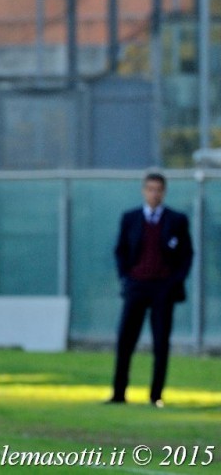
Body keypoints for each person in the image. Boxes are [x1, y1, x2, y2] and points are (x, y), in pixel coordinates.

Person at [108, 171, 193, 408]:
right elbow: (121, 250)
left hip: (163, 289)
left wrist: (175, 281)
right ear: (144, 190)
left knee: (160, 342)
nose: (154, 194)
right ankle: (118, 393)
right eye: (150, 189)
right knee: (126, 339)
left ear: (163, 192)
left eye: (158, 189)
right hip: (136, 286)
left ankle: (156, 395)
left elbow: (186, 254)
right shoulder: (131, 218)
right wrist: (125, 278)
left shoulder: (176, 220)